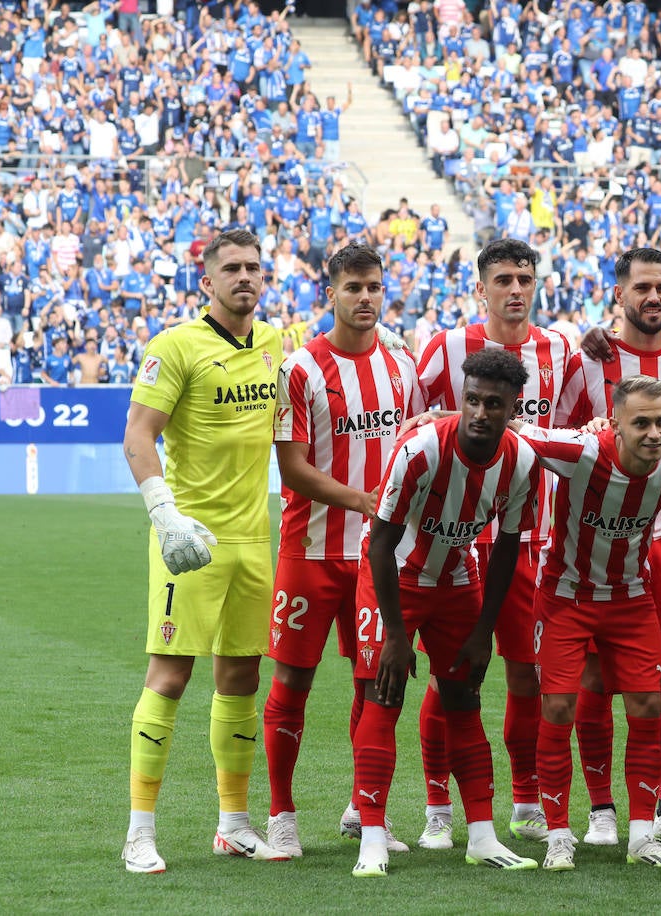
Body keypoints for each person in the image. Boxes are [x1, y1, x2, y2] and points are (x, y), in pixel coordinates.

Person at [120, 229, 288, 873]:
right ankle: (139, 830)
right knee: (170, 676)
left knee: (241, 676)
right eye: (233, 269)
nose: (246, 277)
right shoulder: (175, 346)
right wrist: (165, 516)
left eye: (254, 268)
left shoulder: (276, 342)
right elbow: (137, 436)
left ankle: (234, 823)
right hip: (188, 541)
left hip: (253, 540)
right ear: (207, 282)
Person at [352, 349, 544, 877]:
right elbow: (380, 544)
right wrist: (394, 635)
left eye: (494, 404)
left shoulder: (523, 461)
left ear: (512, 407)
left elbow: (506, 548)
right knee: (382, 696)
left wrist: (485, 630)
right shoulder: (420, 450)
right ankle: (373, 836)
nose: (481, 412)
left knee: (464, 699)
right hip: (394, 579)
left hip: (459, 579)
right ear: (461, 398)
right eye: (473, 400)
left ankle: (481, 836)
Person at [262, 243, 425, 857]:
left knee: (375, 685)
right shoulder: (299, 369)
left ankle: (364, 807)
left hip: (379, 558)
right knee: (292, 682)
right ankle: (281, 813)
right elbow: (294, 470)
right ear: (330, 292)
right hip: (310, 550)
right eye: (353, 287)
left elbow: (413, 448)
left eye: (374, 287)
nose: (365, 298)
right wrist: (364, 502)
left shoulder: (402, 367)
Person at [415, 238, 574, 845]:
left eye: (525, 279)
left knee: (526, 673)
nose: (515, 289)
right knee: (452, 675)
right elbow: (415, 429)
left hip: (532, 537)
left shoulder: (560, 348)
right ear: (480, 287)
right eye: (503, 278)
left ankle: (526, 800)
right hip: (455, 542)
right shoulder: (446, 349)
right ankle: (436, 807)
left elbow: (580, 427)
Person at [554, 248, 661, 847]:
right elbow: (558, 434)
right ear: (618, 294)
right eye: (642, 287)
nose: (654, 297)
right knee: (593, 675)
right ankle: (600, 809)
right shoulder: (587, 357)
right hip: (593, 544)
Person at [524, 376, 661, 871]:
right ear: (616, 426)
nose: (654, 433)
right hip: (565, 596)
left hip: (630, 597)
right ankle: (559, 835)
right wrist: (438, 421)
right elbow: (515, 430)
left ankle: (642, 835)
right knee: (559, 707)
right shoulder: (582, 452)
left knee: (648, 704)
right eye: (640, 423)